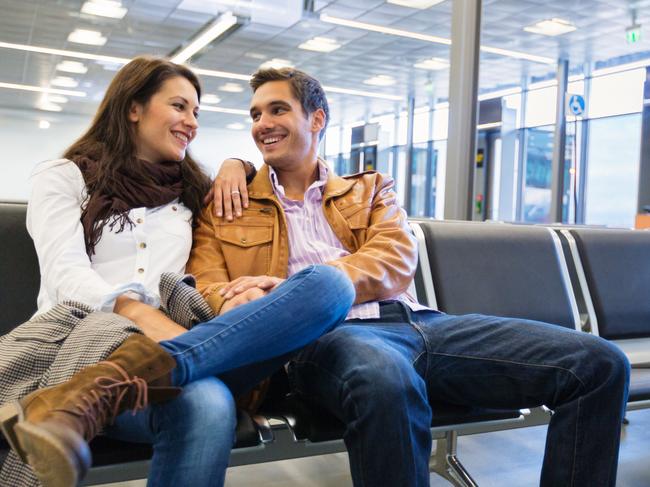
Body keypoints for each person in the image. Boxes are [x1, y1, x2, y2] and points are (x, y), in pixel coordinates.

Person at [190, 67, 631, 487]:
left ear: (317, 118)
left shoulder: (370, 189)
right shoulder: (230, 203)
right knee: (384, 383)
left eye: (277, 110)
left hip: (423, 324)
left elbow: (396, 259)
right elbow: (206, 287)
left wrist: (302, 286)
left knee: (598, 364)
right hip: (326, 336)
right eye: (255, 114)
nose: (262, 123)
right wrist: (257, 304)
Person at [0, 56, 355, 487]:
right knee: (207, 403)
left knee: (329, 286)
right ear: (134, 107)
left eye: (196, 113)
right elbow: (64, 273)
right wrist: (139, 315)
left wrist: (235, 167)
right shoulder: (65, 177)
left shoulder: (195, 194)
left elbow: (209, 275)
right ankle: (88, 391)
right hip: (83, 345)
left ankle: (87, 398)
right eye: (179, 106)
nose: (191, 122)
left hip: (186, 341)